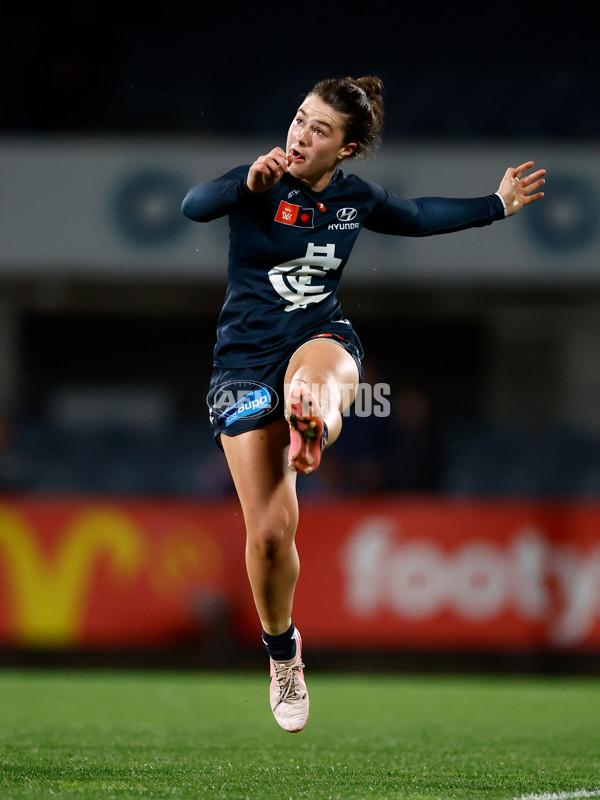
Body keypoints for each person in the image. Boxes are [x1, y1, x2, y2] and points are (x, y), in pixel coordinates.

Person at [181, 75, 545, 733]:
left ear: (345, 150)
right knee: (267, 535)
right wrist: (246, 187)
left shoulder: (356, 199)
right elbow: (193, 205)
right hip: (241, 367)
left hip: (318, 335)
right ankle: (282, 650)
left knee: (319, 376)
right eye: (299, 118)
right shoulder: (258, 181)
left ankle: (313, 417)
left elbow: (419, 216)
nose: (300, 135)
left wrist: (497, 203)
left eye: (319, 130)